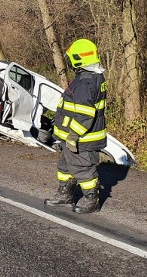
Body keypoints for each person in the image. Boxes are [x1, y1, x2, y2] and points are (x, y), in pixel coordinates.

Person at [44, 38, 107, 214]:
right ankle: (65, 195)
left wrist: (73, 135)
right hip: (74, 137)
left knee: (82, 168)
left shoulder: (85, 82)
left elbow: (85, 114)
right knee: (65, 166)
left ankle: (91, 200)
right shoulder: (92, 77)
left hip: (81, 138)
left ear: (79, 59)